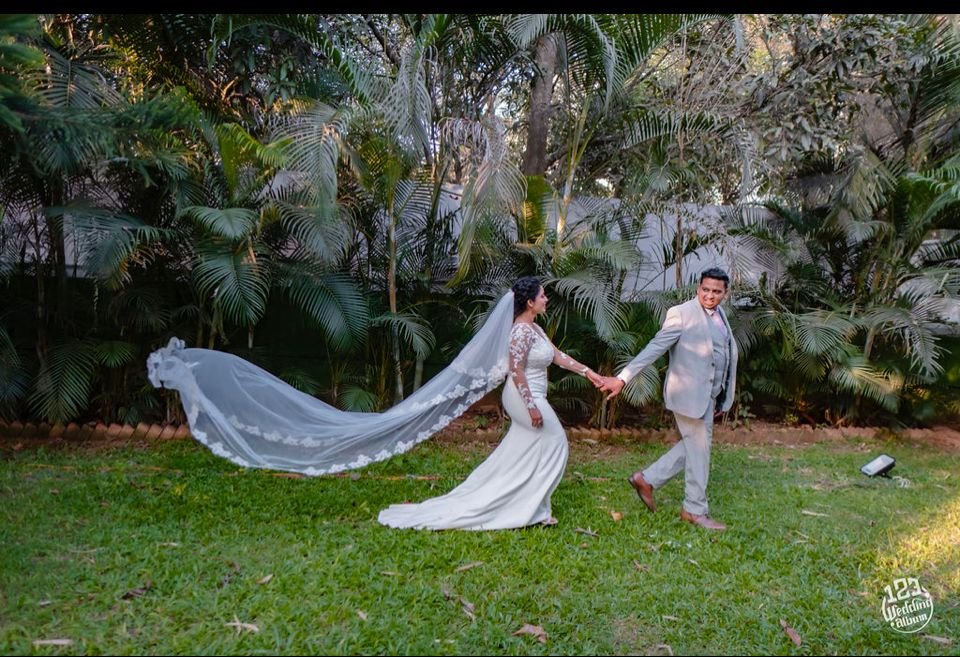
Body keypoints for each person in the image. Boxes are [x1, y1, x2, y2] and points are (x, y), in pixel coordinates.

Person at [378, 276, 604, 530]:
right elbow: (516, 370)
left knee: (524, 451)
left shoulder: (535, 329)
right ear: (530, 302)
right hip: (523, 396)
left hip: (533, 394)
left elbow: (557, 355)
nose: (546, 299)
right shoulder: (520, 331)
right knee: (555, 443)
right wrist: (531, 407)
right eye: (542, 296)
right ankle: (532, 506)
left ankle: (531, 506)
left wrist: (589, 373)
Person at [597, 267, 738, 531]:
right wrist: (623, 377)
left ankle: (646, 479)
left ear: (725, 293)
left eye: (716, 291)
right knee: (699, 451)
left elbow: (723, 355)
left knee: (696, 447)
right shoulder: (681, 314)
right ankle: (694, 510)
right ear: (698, 288)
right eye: (705, 289)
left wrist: (720, 397)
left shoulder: (720, 315)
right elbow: (654, 347)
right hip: (687, 396)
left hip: (708, 397)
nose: (710, 295)